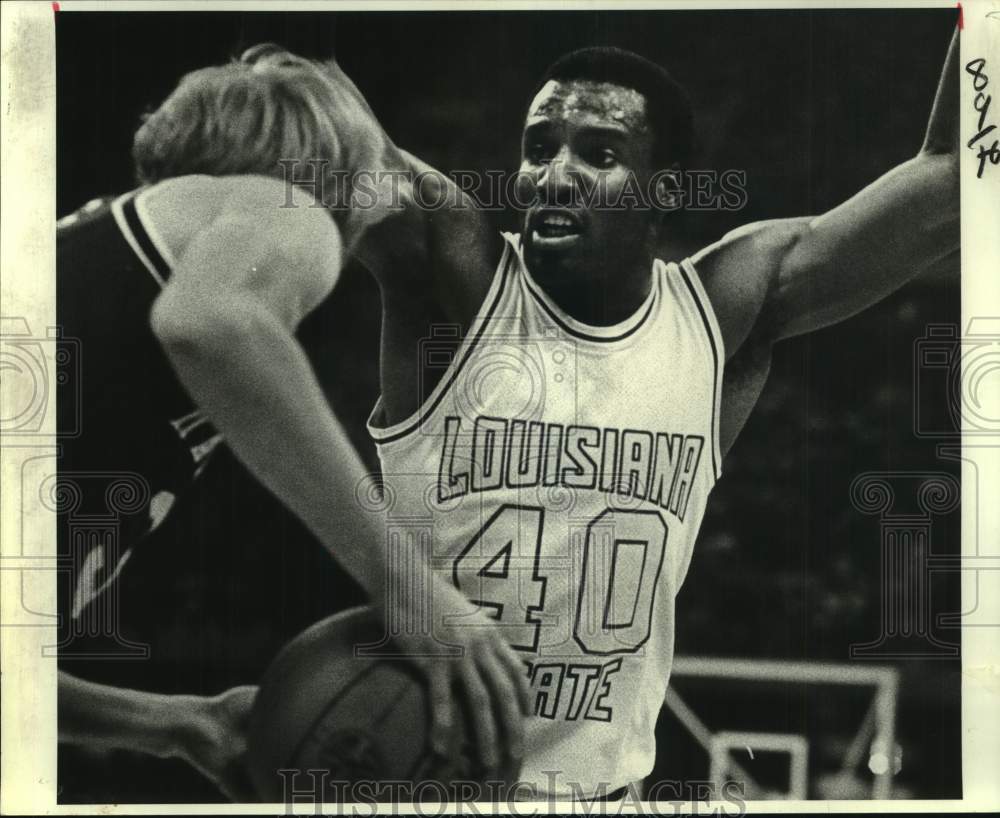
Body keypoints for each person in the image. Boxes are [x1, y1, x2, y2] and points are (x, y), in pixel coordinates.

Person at [318, 26, 960, 799]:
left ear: (668, 188)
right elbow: (319, 125)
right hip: (417, 781)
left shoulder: (724, 311)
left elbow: (956, 175)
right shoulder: (458, 277)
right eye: (539, 145)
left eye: (599, 153)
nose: (555, 175)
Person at [55, 45, 530, 801]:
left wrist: (180, 724)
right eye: (380, 154)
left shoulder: (107, 260)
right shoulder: (285, 205)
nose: (398, 181)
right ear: (329, 153)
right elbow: (208, 321)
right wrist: (407, 583)